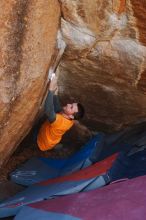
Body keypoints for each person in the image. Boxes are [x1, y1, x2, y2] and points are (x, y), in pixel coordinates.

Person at [37, 75, 85, 151]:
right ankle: (57, 147)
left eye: (71, 107)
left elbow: (49, 110)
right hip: (48, 135)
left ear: (72, 116)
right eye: (71, 104)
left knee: (32, 147)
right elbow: (58, 109)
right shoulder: (69, 118)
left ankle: (55, 149)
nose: (68, 104)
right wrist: (55, 95)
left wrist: (51, 90)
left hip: (43, 143)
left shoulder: (61, 123)